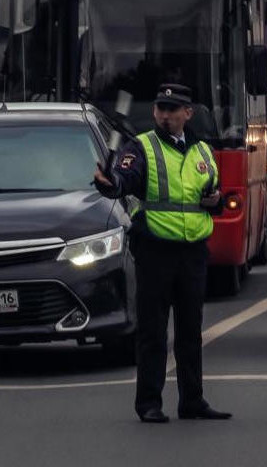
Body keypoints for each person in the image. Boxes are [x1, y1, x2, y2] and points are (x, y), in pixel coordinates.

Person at [93, 83, 232, 424]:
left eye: (173, 109)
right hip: (155, 248)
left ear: (188, 113)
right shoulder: (142, 147)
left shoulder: (202, 151)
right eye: (161, 109)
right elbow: (123, 178)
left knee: (190, 330)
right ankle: (149, 403)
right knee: (153, 330)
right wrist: (110, 184)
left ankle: (193, 401)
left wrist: (212, 201)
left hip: (193, 251)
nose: (166, 115)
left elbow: (207, 194)